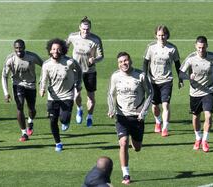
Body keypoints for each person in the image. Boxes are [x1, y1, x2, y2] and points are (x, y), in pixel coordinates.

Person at [107, 52, 153, 184]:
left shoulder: (141, 76)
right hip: (122, 116)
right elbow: (110, 94)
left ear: (130, 61)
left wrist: (143, 112)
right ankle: (126, 174)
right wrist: (111, 109)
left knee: (137, 147)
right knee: (123, 143)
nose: (123, 64)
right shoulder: (115, 76)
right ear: (118, 64)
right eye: (120, 62)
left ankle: (135, 142)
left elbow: (150, 93)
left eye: (125, 61)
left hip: (137, 117)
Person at [179, 36, 213, 152]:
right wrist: (189, 77)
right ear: (195, 46)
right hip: (195, 92)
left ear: (207, 46)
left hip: (209, 91)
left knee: (208, 116)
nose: (201, 50)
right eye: (199, 47)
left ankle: (205, 140)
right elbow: (180, 73)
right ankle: (198, 138)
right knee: (195, 117)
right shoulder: (191, 58)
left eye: (203, 47)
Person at [39, 38, 82, 152]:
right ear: (50, 50)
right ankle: (58, 143)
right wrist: (42, 89)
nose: (56, 51)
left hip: (67, 95)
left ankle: (65, 120)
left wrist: (78, 83)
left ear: (62, 50)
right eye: (53, 49)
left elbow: (79, 71)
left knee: (63, 119)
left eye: (58, 49)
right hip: (53, 97)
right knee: (53, 121)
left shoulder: (70, 62)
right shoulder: (46, 64)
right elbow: (43, 79)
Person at [143, 25, 183, 137]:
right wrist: (144, 76)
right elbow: (145, 62)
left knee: (165, 105)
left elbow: (177, 64)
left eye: (163, 35)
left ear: (167, 35)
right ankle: (158, 121)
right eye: (159, 35)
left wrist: (180, 78)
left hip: (167, 80)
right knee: (155, 106)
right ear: (156, 35)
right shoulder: (151, 48)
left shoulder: (172, 48)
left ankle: (165, 127)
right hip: (153, 81)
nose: (161, 37)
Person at [2, 39, 43, 141]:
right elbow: (4, 76)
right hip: (18, 84)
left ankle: (30, 121)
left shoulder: (32, 57)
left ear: (24, 47)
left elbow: (45, 66)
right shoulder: (10, 59)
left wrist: (42, 80)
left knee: (31, 109)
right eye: (16, 48)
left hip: (31, 85)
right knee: (19, 106)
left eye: (20, 48)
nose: (19, 50)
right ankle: (24, 133)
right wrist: (6, 93)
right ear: (14, 48)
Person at [66, 16, 104, 127]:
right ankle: (79, 109)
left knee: (91, 98)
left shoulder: (96, 40)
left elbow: (101, 56)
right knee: (76, 95)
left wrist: (95, 59)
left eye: (87, 29)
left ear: (90, 28)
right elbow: (64, 46)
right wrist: (65, 58)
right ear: (79, 28)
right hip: (75, 71)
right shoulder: (73, 37)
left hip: (90, 71)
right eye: (83, 29)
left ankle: (90, 117)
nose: (85, 31)